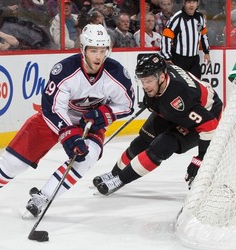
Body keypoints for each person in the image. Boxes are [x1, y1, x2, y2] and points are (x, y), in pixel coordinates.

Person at [0, 24, 135, 217]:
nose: (99, 56)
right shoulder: (65, 70)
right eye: (94, 50)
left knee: (86, 157)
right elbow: (53, 108)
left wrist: (104, 114)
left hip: (89, 124)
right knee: (15, 162)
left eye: (103, 51)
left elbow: (127, 105)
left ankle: (43, 197)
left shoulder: (117, 73)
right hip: (54, 120)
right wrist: (68, 133)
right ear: (83, 49)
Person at [92, 53, 223, 195]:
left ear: (161, 77)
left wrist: (201, 158)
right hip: (174, 106)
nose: (145, 86)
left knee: (162, 145)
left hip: (207, 114)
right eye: (142, 81)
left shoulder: (181, 97)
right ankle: (114, 174)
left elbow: (210, 126)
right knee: (143, 140)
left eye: (148, 81)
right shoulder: (161, 73)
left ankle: (121, 180)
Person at [161, 0, 210, 79]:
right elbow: (166, 37)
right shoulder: (177, 18)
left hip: (194, 59)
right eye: (189, 2)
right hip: (179, 59)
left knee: (196, 84)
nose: (191, 5)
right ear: (184, 3)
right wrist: (167, 57)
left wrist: (206, 52)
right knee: (181, 86)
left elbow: (203, 35)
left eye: (194, 2)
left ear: (197, 4)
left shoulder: (200, 18)